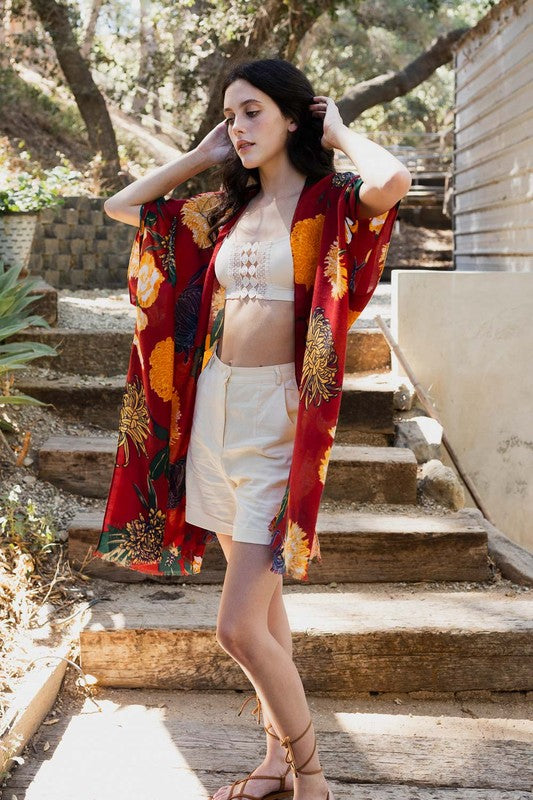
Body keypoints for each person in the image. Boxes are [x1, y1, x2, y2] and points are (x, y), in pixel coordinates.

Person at [98, 58, 411, 800]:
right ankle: (274, 763)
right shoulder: (223, 210)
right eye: (230, 115)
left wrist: (337, 133)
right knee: (265, 619)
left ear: (294, 116)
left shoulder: (332, 203)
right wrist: (201, 155)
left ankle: (312, 777)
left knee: (235, 630)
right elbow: (122, 207)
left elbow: (393, 182)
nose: (238, 127)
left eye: (252, 113)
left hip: (279, 421)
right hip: (213, 412)